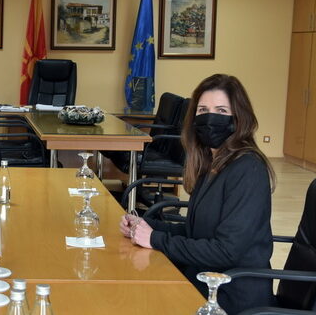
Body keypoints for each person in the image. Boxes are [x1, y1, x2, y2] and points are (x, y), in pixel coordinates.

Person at [119, 73, 277, 314]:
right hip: (201, 278)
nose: (210, 118)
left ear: (238, 118)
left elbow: (226, 251)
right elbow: (197, 232)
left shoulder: (248, 169)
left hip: (229, 295)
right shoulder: (211, 162)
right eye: (203, 110)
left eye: (221, 111)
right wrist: (146, 226)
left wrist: (155, 239)